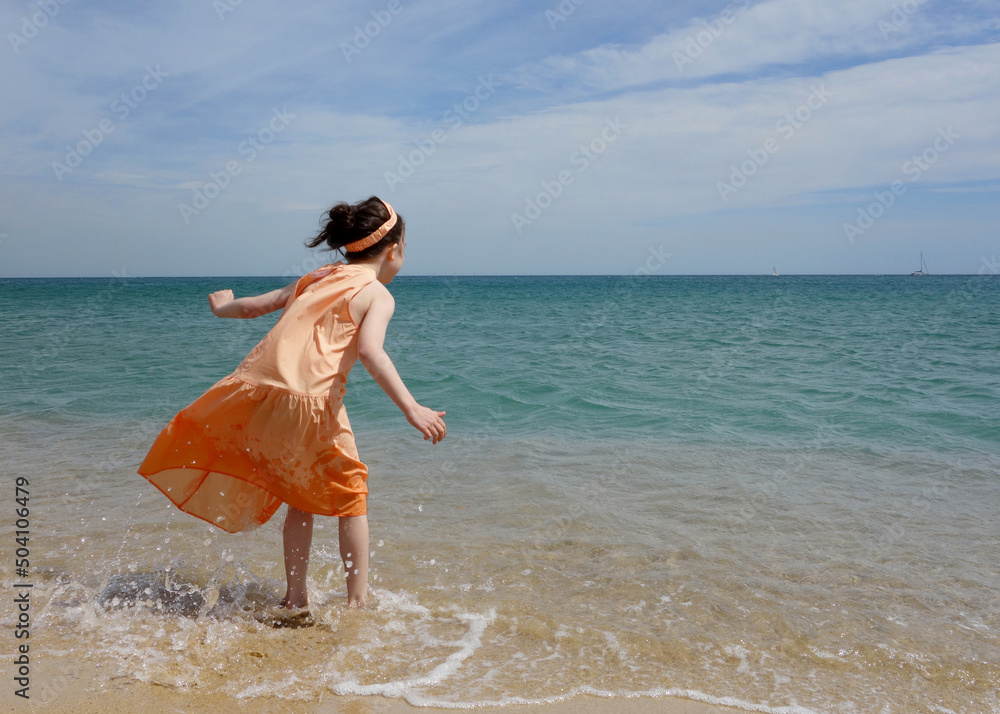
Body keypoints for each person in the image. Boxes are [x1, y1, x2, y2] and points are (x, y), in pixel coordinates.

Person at [137, 196, 446, 613]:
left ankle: (295, 596)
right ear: (394, 250)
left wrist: (223, 308)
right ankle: (357, 603)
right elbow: (371, 352)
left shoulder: (316, 276)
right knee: (352, 498)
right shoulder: (376, 294)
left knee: (300, 496)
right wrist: (411, 408)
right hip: (313, 403)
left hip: (261, 393)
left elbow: (258, 306)